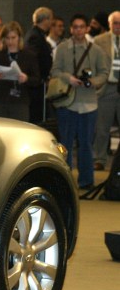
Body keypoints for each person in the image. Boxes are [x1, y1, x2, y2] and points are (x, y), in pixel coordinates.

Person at [51, 14, 109, 190]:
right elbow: (55, 70)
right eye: (75, 27)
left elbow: (104, 73)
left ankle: (86, 180)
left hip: (89, 104)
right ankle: (65, 180)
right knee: (65, 145)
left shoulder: (96, 50)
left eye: (81, 27)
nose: (78, 30)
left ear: (86, 29)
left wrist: (92, 82)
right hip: (67, 103)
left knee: (86, 144)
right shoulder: (62, 48)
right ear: (71, 29)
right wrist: (69, 78)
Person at [0, 22, 40, 121]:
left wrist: (26, 79)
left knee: (19, 131)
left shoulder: (29, 56)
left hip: (20, 102)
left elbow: (36, 80)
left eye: (13, 37)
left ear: (19, 37)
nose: (10, 41)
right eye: (7, 38)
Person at [92, 10, 120, 171]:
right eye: (115, 23)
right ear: (109, 24)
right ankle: (100, 159)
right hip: (107, 87)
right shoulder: (99, 41)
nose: (118, 26)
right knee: (102, 127)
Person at [26, 7, 53, 124]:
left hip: (38, 82)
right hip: (37, 84)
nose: (51, 22)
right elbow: (33, 59)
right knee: (37, 115)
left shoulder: (36, 34)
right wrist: (40, 77)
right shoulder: (35, 36)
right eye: (51, 19)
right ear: (46, 20)